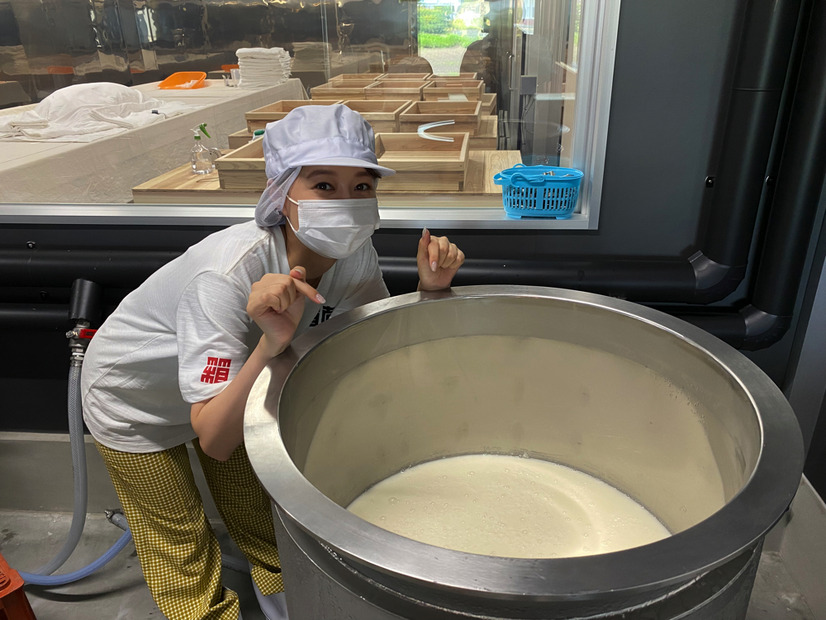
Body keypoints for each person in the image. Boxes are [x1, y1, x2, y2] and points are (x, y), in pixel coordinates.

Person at [80, 103, 465, 620]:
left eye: (362, 186)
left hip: (233, 393)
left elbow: (374, 347)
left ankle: (292, 607)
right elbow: (215, 440)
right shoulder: (226, 276)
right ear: (282, 193)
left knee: (260, 517)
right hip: (136, 402)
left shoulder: (353, 255)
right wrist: (270, 344)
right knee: (181, 546)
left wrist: (429, 290)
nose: (347, 202)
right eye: (324, 185)